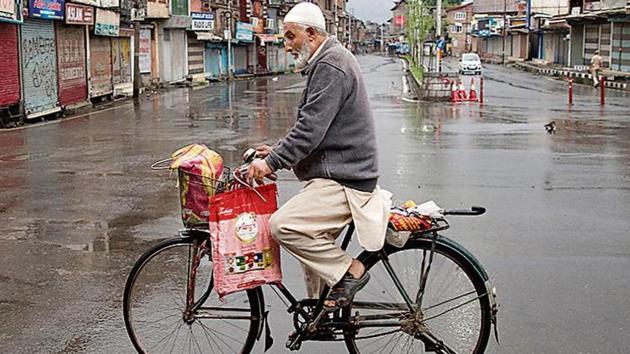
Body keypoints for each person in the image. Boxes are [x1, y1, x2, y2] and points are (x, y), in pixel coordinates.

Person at [247, 2, 390, 310]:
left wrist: (271, 163)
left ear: (311, 34)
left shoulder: (331, 65)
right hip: (335, 173)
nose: (286, 45)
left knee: (283, 225)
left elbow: (310, 130)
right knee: (310, 240)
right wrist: (277, 151)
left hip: (346, 179)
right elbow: (315, 129)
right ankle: (321, 315)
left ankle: (351, 271)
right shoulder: (325, 61)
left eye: (290, 37)